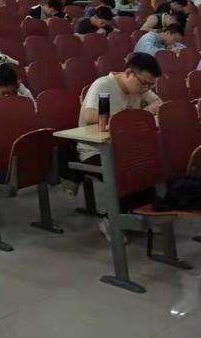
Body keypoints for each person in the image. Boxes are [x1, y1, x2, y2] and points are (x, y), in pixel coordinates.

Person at [69, 53, 164, 236]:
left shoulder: (139, 87)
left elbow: (157, 102)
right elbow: (90, 117)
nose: (146, 89)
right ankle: (111, 220)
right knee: (130, 170)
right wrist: (130, 118)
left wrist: (144, 111)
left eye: (150, 85)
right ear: (129, 73)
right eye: (144, 84)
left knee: (151, 165)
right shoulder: (105, 86)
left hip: (124, 149)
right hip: (96, 150)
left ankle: (139, 214)